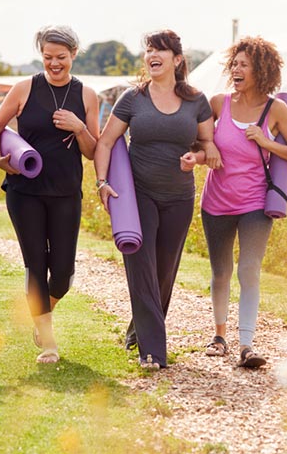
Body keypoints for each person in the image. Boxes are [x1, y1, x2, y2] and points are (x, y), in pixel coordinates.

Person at [94, 29, 220, 370]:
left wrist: (197, 157)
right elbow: (105, 142)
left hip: (179, 197)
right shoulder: (133, 99)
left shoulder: (196, 100)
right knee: (142, 266)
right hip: (139, 195)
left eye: (159, 50)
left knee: (164, 271)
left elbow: (208, 146)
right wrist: (102, 182)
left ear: (176, 60)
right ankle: (153, 352)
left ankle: (139, 329)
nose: (152, 54)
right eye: (148, 49)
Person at [0, 25, 99, 364]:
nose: (54, 64)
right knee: (36, 265)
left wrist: (79, 127)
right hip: (25, 191)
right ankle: (48, 342)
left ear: (74, 54)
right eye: (48, 57)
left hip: (66, 192)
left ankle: (40, 312)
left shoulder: (87, 95)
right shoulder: (23, 88)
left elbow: (93, 151)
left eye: (61, 57)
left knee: (62, 273)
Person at [198, 36, 287, 368]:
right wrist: (208, 150)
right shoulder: (218, 104)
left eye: (243, 64)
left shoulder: (276, 110)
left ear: (261, 70)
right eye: (234, 63)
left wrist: (266, 141)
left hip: (255, 204)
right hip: (215, 201)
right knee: (221, 271)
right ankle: (219, 337)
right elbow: (199, 140)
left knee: (249, 270)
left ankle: (246, 344)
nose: (236, 69)